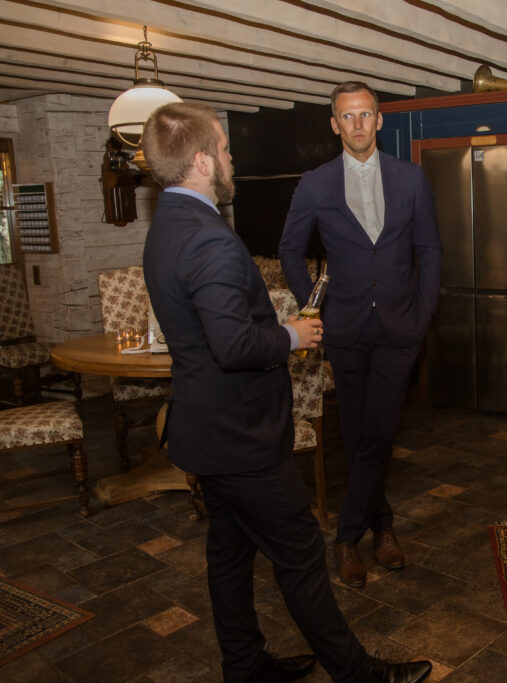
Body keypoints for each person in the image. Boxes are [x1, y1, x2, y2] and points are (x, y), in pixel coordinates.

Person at [142, 102, 431, 683]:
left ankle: (245, 667)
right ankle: (358, 674)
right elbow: (233, 346)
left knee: (229, 553)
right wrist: (292, 335)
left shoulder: (167, 225)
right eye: (225, 149)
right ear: (202, 162)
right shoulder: (209, 240)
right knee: (299, 550)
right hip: (241, 436)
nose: (231, 158)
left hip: (204, 430)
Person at [279, 82, 442, 589]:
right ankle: (382, 523)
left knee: (381, 428)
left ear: (379, 120)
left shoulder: (411, 178)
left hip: (400, 327)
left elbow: (430, 250)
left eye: (365, 115)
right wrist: (313, 307)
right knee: (357, 433)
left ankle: (346, 536)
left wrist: (423, 313)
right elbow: (289, 250)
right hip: (344, 328)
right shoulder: (315, 184)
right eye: (347, 116)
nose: (357, 124)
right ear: (334, 125)